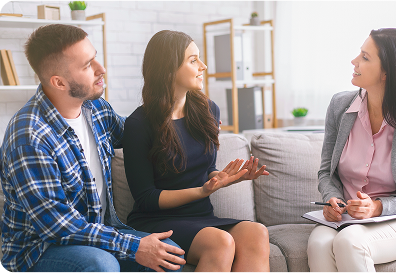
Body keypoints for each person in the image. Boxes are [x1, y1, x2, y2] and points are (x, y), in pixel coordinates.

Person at [0, 24, 185, 273]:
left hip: (101, 233)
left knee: (169, 253)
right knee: (101, 265)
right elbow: (59, 226)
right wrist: (132, 246)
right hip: (41, 249)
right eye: (87, 65)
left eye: (95, 57)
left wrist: (195, 122)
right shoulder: (29, 136)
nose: (102, 69)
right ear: (59, 82)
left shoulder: (97, 110)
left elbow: (142, 137)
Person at [122, 30, 271, 272]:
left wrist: (223, 179)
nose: (202, 66)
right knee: (220, 242)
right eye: (193, 60)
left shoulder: (208, 110)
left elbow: (204, 169)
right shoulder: (139, 124)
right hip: (156, 220)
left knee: (256, 231)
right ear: (168, 69)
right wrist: (202, 190)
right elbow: (146, 197)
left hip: (202, 217)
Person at [307, 28, 396, 273]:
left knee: (350, 243)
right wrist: (332, 199)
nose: (354, 61)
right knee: (318, 245)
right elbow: (326, 173)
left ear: (387, 73)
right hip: (347, 217)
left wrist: (378, 207)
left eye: (365, 57)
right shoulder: (339, 106)